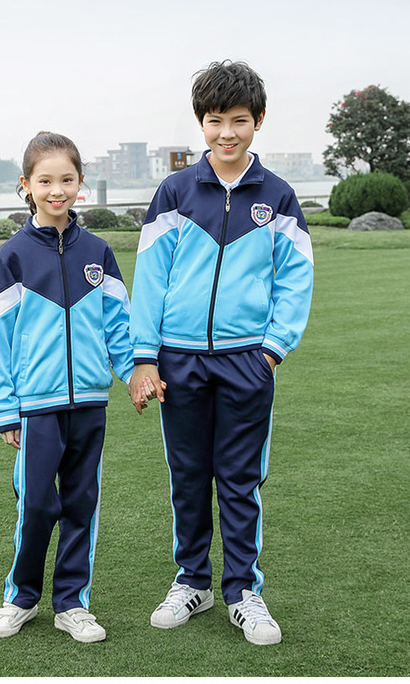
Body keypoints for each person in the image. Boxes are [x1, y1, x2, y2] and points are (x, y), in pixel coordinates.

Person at [128, 61, 314, 646]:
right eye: (215, 121)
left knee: (239, 478)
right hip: (178, 361)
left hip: (246, 362)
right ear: (200, 123)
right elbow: (150, 278)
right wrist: (144, 356)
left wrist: (272, 351)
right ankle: (193, 581)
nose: (226, 133)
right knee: (188, 476)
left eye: (238, 120)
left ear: (259, 120)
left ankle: (242, 591)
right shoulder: (175, 192)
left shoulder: (278, 196)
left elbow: (296, 279)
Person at [0, 131, 155, 643]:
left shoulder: (98, 251)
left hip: (90, 405)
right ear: (26, 186)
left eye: (67, 180)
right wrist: (4, 409)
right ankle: (20, 598)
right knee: (36, 506)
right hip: (36, 407)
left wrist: (133, 373)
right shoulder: (13, 257)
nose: (57, 190)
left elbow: (118, 325)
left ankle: (72, 604)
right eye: (45, 181)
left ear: (81, 182)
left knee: (81, 504)